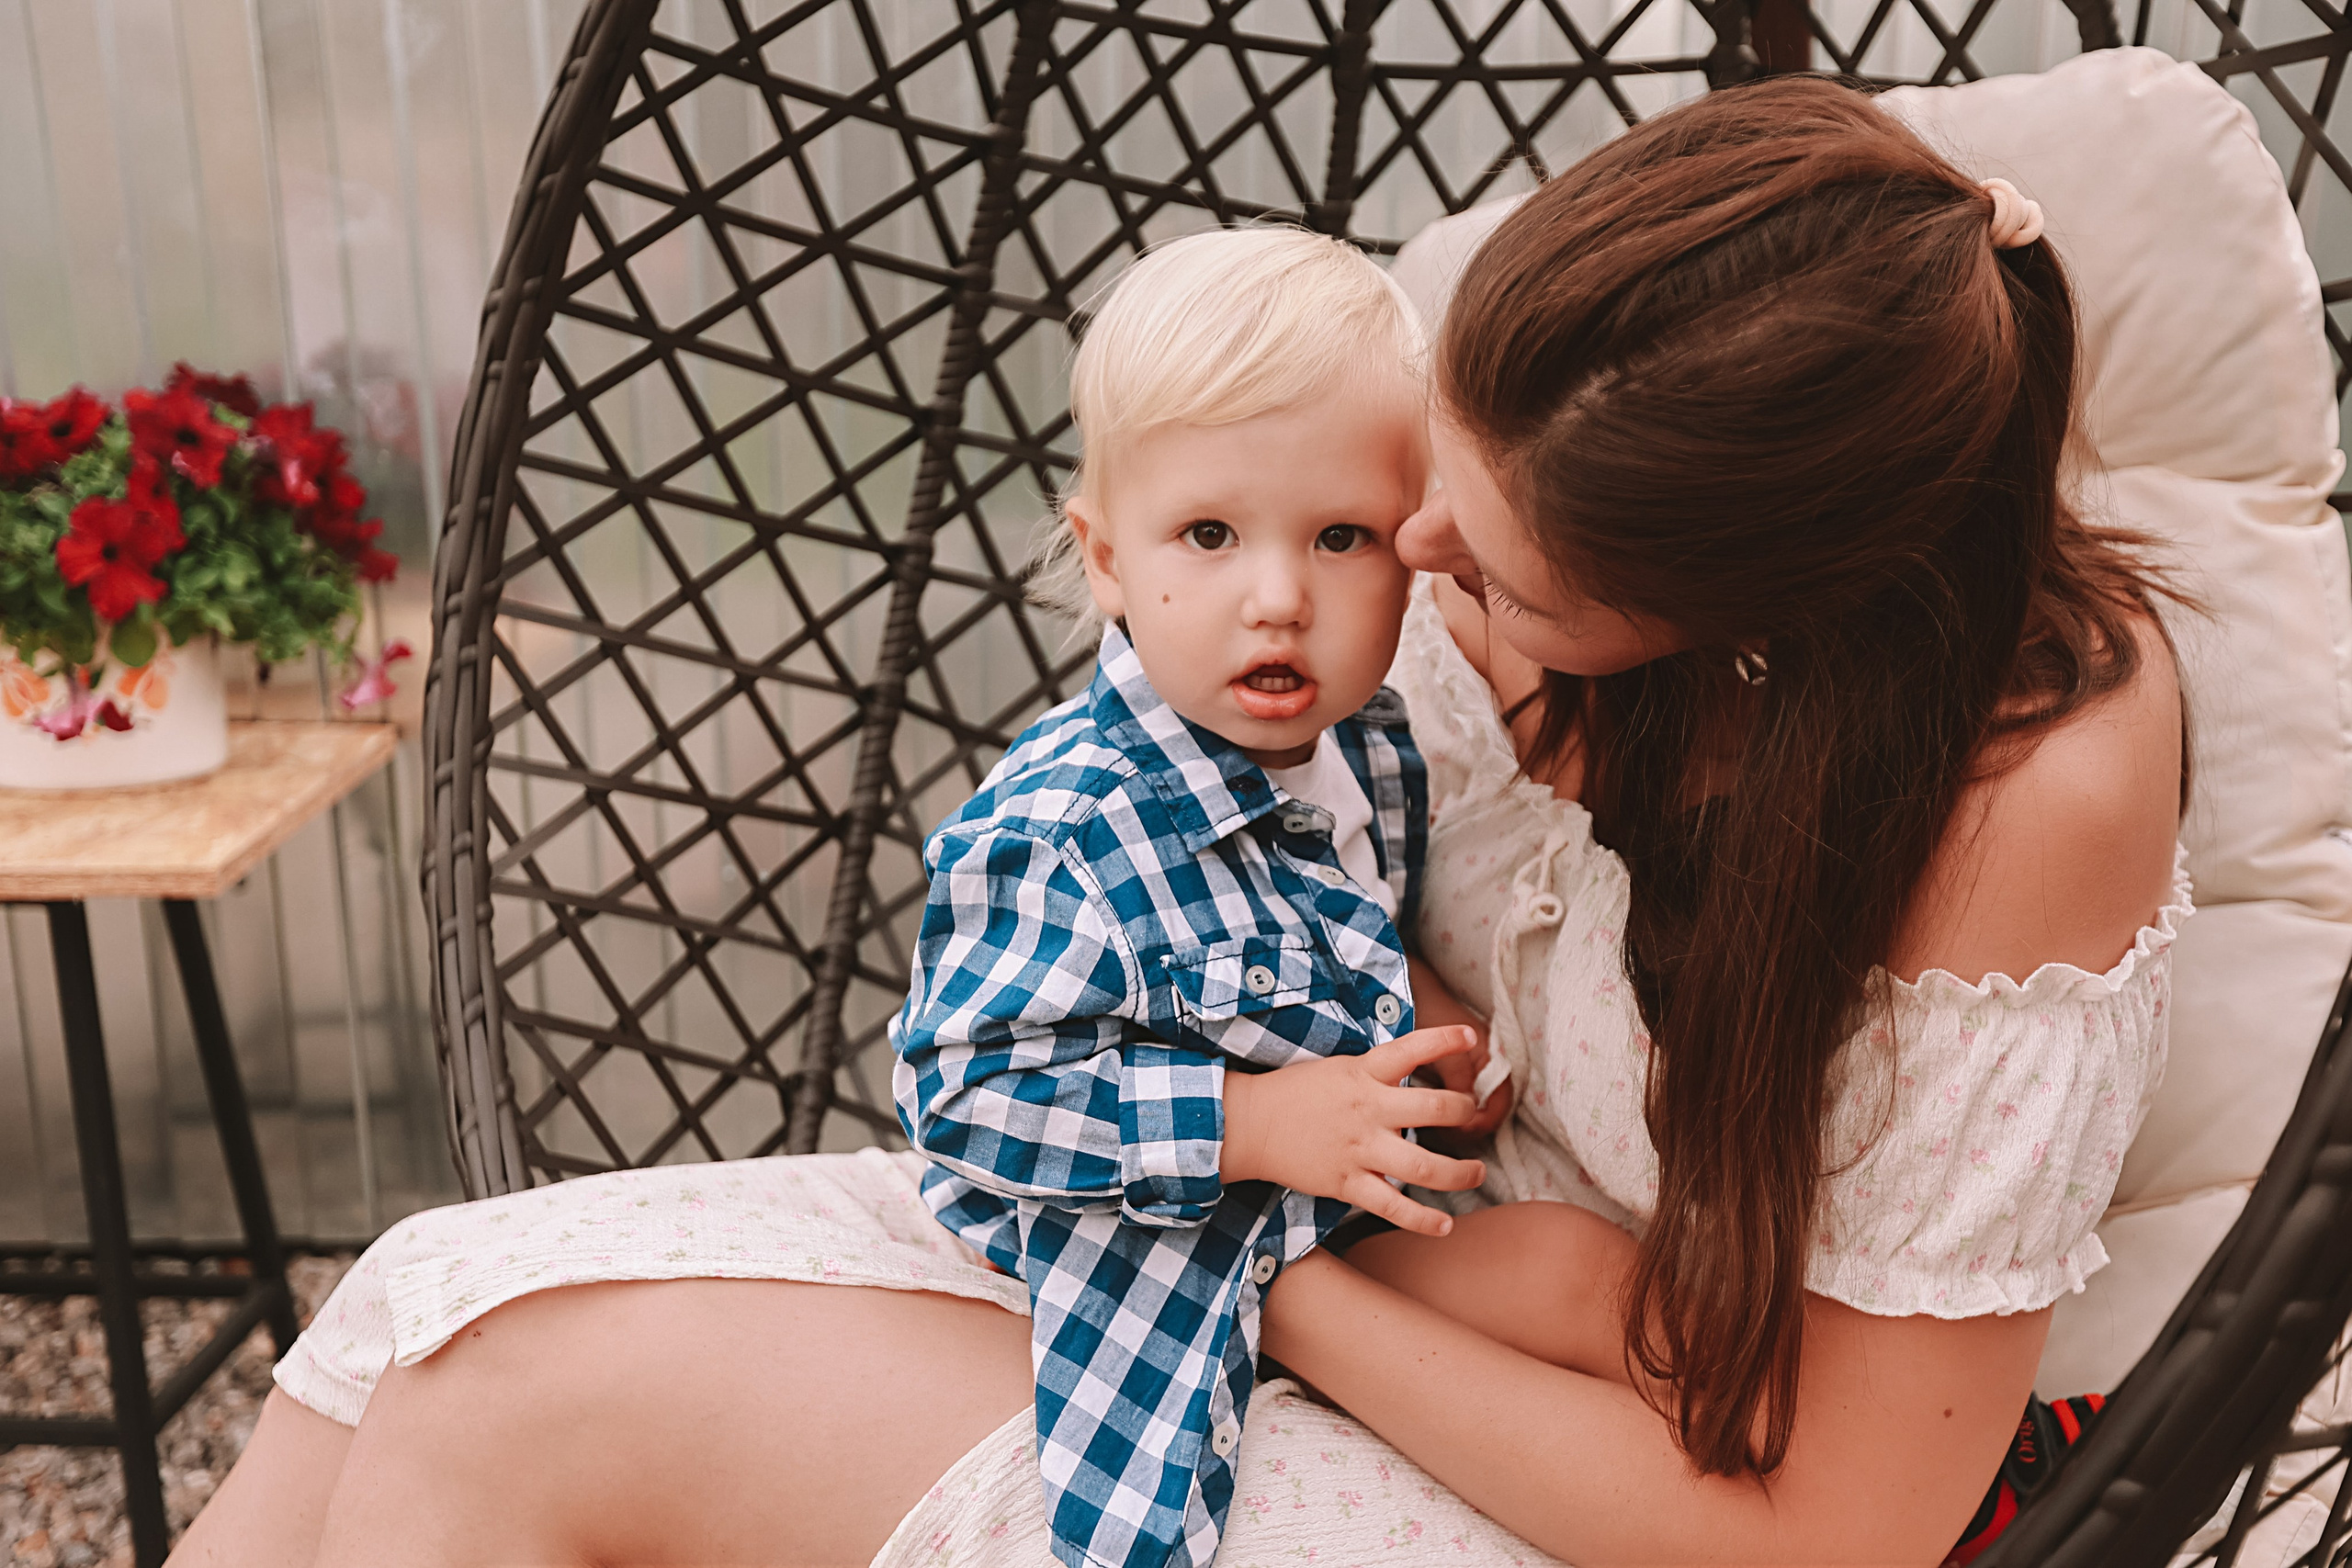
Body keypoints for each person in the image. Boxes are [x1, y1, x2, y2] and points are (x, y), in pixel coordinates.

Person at [170, 75, 2189, 1568]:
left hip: (1565, 1451)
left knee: (508, 1407)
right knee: (413, 1300)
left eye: (1474, 567)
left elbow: (1827, 1529)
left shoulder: (2024, 787)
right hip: (1311, 1221)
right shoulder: (1532, 496)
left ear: (1730, 626)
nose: (1396, 564)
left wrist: (1264, 1269)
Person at [888, 225, 1501, 1568]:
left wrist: (1435, 1018)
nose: (1277, 599)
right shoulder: (1069, 825)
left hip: (1331, 1194)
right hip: (1139, 1218)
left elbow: (1356, 921)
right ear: (1108, 557)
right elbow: (960, 1091)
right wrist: (1251, 1121)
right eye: (1209, 535)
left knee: (1589, 1281)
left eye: (1341, 537)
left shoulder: (1376, 747)